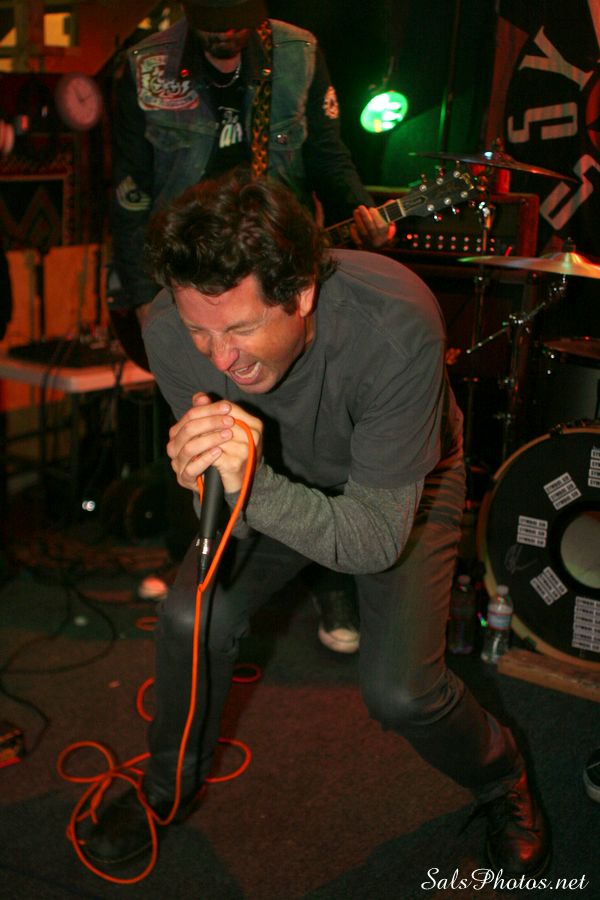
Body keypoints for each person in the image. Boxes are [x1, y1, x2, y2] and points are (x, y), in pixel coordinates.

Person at [86, 171, 551, 876]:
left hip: (401, 488)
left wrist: (254, 488)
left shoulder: (396, 324)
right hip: (271, 478)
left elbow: (372, 539)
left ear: (301, 292)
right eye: (200, 330)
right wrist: (207, 478)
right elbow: (221, 493)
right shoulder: (168, 330)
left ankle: (502, 776)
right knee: (191, 616)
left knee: (402, 694)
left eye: (241, 328)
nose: (219, 358)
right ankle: (164, 789)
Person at [109, 0, 395, 653]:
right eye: (212, 33)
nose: (225, 43)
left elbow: (326, 151)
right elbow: (130, 187)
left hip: (270, 281)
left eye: (237, 31)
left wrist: (357, 206)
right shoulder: (146, 66)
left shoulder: (297, 54)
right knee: (196, 421)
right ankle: (196, 560)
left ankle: (329, 578)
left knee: (311, 424)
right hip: (186, 281)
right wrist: (142, 295)